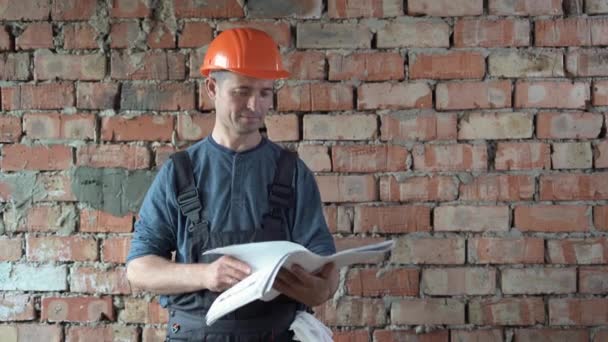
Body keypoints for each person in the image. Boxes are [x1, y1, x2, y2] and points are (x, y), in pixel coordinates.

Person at [126, 27, 339, 341]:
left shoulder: (292, 173)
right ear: (212, 87)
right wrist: (207, 274)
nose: (255, 105)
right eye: (242, 91)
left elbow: (326, 272)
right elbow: (138, 269)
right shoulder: (179, 173)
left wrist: (319, 288)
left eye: (265, 92)